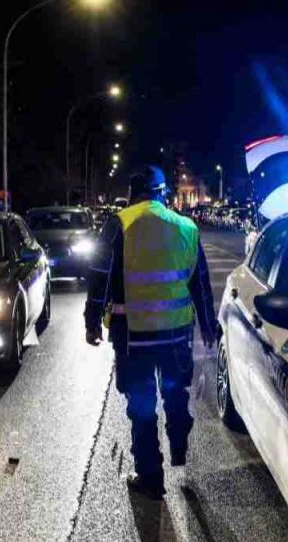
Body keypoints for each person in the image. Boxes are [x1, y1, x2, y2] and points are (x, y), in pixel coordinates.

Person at [84, 165, 219, 500]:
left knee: (142, 407)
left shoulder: (119, 224)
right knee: (175, 394)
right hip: (176, 337)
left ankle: (151, 478)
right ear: (162, 194)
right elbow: (200, 283)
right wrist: (208, 326)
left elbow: (100, 275)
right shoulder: (186, 227)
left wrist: (91, 322)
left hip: (134, 339)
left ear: (134, 194)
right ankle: (178, 445)